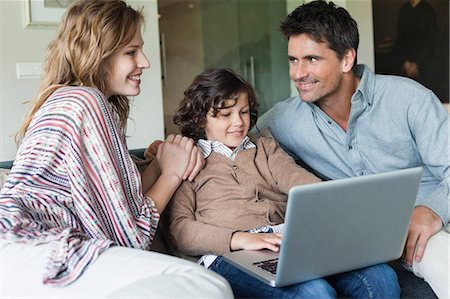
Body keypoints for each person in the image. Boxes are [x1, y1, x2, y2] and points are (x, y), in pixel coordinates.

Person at [0, 0, 232, 297]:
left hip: (27, 250)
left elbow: (123, 205)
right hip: (31, 248)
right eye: (131, 52)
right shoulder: (85, 102)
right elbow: (131, 237)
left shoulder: (72, 101)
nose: (145, 62)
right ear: (98, 55)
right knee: (207, 285)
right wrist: (171, 175)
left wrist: (158, 165)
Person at [255, 1, 449, 297]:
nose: (298, 73)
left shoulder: (409, 99)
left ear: (346, 59)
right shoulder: (285, 119)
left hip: (424, 233)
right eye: (293, 60)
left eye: (311, 59)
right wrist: (171, 151)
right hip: (357, 246)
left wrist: (433, 210)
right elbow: (236, 140)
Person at [163, 68, 401, 298]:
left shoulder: (264, 147)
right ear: (199, 118)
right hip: (230, 254)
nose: (238, 122)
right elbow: (180, 230)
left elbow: (295, 178)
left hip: (286, 241)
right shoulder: (186, 158)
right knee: (314, 292)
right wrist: (240, 238)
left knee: (381, 276)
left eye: (244, 112)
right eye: (226, 115)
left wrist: (327, 201)